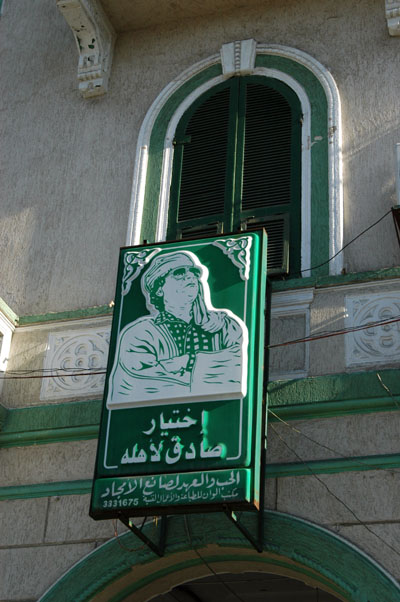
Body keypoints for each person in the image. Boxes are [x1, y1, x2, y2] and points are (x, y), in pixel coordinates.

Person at [107, 251, 247, 407]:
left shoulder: (224, 327)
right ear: (159, 289)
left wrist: (186, 361)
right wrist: (210, 370)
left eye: (194, 272)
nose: (190, 276)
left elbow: (236, 371)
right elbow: (141, 385)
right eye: (179, 273)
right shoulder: (139, 334)